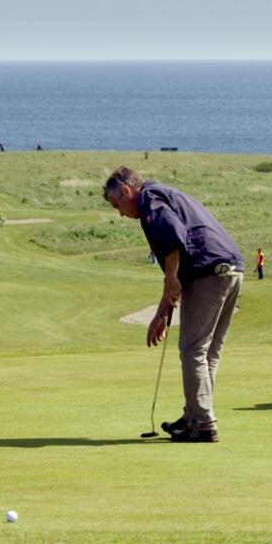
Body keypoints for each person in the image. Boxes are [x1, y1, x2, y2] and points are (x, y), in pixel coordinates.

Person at [103, 166, 243, 442]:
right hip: (232, 270)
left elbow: (173, 238)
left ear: (126, 191)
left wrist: (169, 277)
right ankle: (196, 414)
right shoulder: (163, 194)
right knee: (207, 352)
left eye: (117, 204)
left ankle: (202, 422)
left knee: (193, 350)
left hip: (210, 273)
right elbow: (176, 277)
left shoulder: (148, 201)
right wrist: (161, 313)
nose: (120, 213)